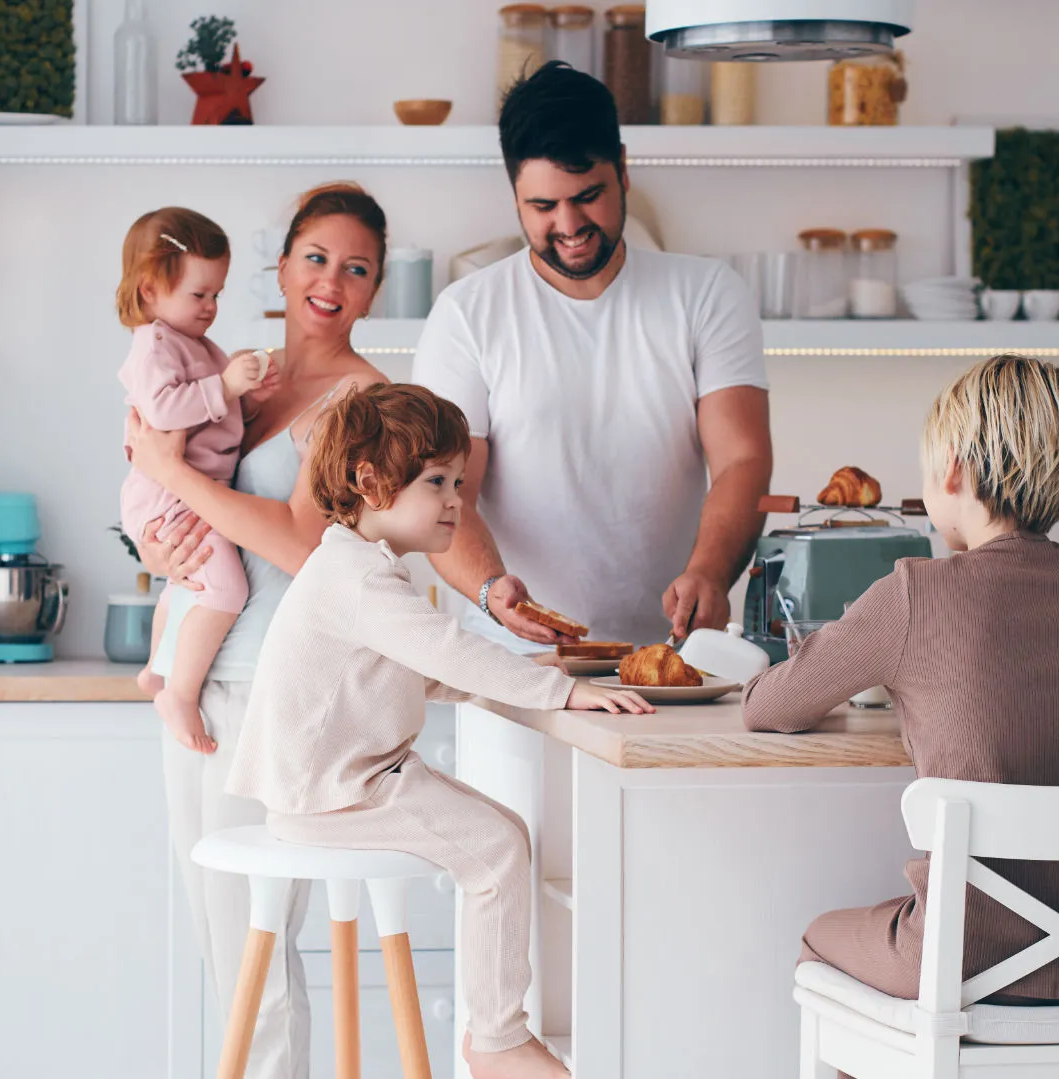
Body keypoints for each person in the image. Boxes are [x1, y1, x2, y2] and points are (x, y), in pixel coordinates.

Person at [744, 354, 1059, 1016]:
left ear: (950, 468)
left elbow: (768, 706)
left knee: (816, 939)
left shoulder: (914, 592)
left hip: (955, 956)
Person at [229, 382, 651, 1079]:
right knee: (494, 849)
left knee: (503, 836)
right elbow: (448, 650)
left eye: (458, 479)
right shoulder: (359, 579)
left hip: (343, 784)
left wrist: (533, 675)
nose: (457, 497)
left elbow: (421, 669)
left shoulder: (361, 567)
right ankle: (496, 1039)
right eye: (437, 481)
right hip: (336, 794)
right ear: (370, 483)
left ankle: (498, 1033)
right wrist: (559, 689)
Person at [126, 183, 394, 1079]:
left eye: (357, 268)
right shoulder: (236, 377)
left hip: (277, 687)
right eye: (316, 258)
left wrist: (173, 471)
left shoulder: (366, 399)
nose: (332, 280)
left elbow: (299, 537)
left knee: (258, 937)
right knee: (217, 924)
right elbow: (181, 502)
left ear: (375, 290)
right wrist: (156, 544)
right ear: (280, 269)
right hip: (197, 676)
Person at [412, 62, 773, 649]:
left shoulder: (707, 294)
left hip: (673, 654)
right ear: (515, 196)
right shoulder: (466, 314)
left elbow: (741, 458)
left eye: (587, 196)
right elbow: (445, 490)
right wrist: (491, 588)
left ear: (624, 170)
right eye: (543, 206)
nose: (570, 224)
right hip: (514, 660)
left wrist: (710, 570)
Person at [115, 206, 275, 754]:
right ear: (151, 289)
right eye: (198, 294)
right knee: (226, 589)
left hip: (185, 494)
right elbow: (162, 412)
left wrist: (249, 394)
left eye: (217, 295)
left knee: (183, 585)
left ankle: (157, 671)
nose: (210, 308)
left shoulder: (200, 346)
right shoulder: (154, 344)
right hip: (167, 495)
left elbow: (221, 417)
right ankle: (180, 693)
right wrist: (227, 387)